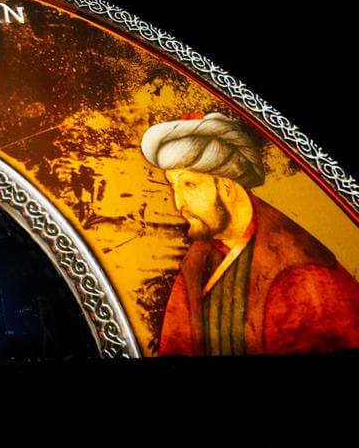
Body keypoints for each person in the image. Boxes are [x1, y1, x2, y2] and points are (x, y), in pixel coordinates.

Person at [141, 111, 359, 355]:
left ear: (227, 187)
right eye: (173, 187)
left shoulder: (302, 273)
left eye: (189, 185)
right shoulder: (198, 260)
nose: (178, 203)